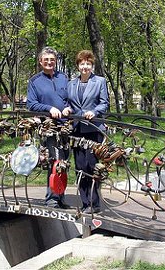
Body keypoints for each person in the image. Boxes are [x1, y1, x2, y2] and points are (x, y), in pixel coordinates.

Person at [62, 50, 109, 214]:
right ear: (78, 65)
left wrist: (95, 111)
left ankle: (94, 203)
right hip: (77, 130)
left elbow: (104, 103)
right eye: (82, 64)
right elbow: (69, 102)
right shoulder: (71, 84)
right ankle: (85, 203)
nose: (85, 67)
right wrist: (67, 108)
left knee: (91, 166)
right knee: (80, 167)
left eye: (88, 64)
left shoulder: (100, 81)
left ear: (92, 65)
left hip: (93, 129)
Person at [26, 46, 70, 209]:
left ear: (56, 61)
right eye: (46, 60)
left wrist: (68, 108)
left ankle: (60, 196)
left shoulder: (64, 78)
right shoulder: (35, 81)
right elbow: (31, 104)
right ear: (40, 62)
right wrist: (49, 109)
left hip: (66, 126)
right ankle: (52, 199)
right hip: (49, 128)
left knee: (64, 162)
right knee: (54, 162)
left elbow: (70, 99)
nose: (49, 62)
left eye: (52, 59)